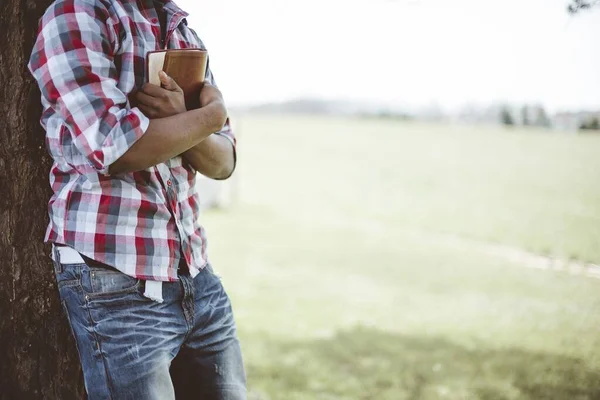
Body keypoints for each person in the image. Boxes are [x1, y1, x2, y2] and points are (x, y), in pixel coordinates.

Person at [27, 0, 246, 398]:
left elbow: (224, 160)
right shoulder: (78, 14)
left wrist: (185, 117)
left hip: (196, 271)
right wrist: (207, 118)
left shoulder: (183, 31)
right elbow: (116, 148)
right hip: (113, 276)